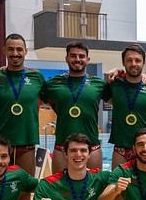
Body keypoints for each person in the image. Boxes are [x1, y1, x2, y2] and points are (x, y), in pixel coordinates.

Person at [0, 34, 46, 200]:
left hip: (26, 143)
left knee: (24, 193)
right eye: (10, 49)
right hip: (0, 145)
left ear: (26, 52)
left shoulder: (36, 77)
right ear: (4, 51)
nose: (15, 53)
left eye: (19, 49)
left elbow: (48, 99)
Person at [106, 44, 146, 200]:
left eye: (137, 60)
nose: (133, 64)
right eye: (129, 60)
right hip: (121, 147)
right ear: (123, 62)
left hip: (145, 147)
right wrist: (117, 71)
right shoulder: (115, 84)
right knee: (118, 195)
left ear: (143, 63)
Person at [41, 42, 110, 173]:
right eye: (73, 56)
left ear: (87, 60)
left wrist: (121, 72)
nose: (77, 59)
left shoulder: (99, 84)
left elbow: (119, 99)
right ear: (66, 58)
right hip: (62, 147)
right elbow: (36, 99)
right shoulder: (53, 84)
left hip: (92, 146)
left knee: (94, 189)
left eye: (81, 56)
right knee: (60, 189)